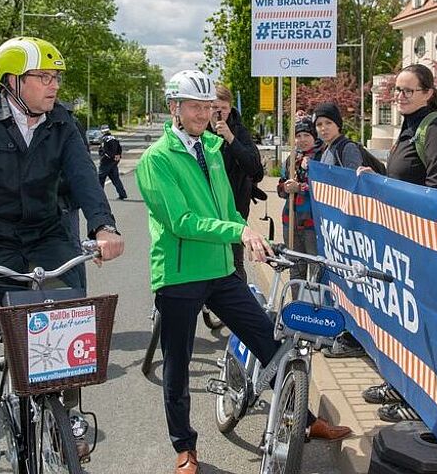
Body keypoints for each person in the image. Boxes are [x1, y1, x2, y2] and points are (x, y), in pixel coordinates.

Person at [136, 70, 350, 474]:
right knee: (177, 367)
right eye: (193, 107)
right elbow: (181, 221)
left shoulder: (213, 149)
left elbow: (227, 208)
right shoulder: (156, 159)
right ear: (174, 108)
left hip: (221, 269)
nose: (202, 114)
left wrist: (252, 238)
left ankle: (304, 422)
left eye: (207, 107)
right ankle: (185, 448)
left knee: (270, 342)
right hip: (180, 275)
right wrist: (238, 230)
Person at [0, 37, 125, 474]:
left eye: (56, 77)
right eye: (44, 77)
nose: (54, 85)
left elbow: (83, 178)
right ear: (13, 80)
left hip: (45, 240)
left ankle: (67, 420)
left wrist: (103, 227)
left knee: (67, 342)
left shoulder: (63, 122)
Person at [357, 63, 437, 422]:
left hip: (424, 243)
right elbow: (406, 177)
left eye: (408, 91)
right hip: (404, 241)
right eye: (397, 91)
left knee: (423, 322)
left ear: (428, 94)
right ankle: (400, 380)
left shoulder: (435, 129)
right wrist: (379, 177)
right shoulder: (410, 126)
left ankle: (420, 400)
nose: (400, 97)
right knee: (401, 318)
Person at [312, 102, 367, 359]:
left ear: (338, 125)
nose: (323, 129)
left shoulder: (347, 148)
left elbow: (352, 182)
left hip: (345, 229)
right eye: (319, 125)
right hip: (331, 229)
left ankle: (345, 334)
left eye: (327, 124)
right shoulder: (325, 150)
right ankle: (330, 327)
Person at [209, 84, 264, 282]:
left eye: (223, 108)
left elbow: (255, 169)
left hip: (235, 206)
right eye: (214, 107)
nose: (218, 113)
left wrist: (230, 138)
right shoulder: (197, 132)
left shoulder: (239, 132)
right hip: (206, 207)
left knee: (234, 260)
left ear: (230, 108)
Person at [277, 117, 323, 283]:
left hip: (312, 224)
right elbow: (280, 187)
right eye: (298, 136)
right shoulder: (291, 158)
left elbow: (324, 190)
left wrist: (301, 188)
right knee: (295, 269)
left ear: (313, 136)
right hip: (290, 222)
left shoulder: (321, 158)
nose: (302, 140)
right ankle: (297, 306)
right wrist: (285, 188)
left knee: (316, 271)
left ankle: (314, 307)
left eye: (306, 135)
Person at [98, 125, 128, 200]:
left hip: (105, 162)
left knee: (100, 179)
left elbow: (105, 151)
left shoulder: (103, 139)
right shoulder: (114, 138)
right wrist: (118, 155)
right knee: (116, 179)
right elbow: (119, 148)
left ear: (102, 131)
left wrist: (111, 156)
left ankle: (99, 196)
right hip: (114, 162)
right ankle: (122, 194)